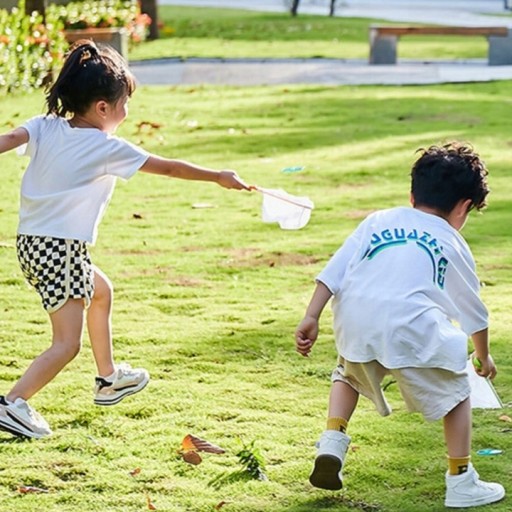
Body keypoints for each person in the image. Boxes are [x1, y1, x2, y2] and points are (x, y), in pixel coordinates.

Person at [0, 40, 249, 440]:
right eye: (124, 103)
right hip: (61, 248)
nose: (127, 111)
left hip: (31, 245)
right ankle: (13, 403)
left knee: (101, 292)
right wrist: (218, 176)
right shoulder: (105, 147)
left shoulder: (45, 125)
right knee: (66, 344)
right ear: (103, 107)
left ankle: (108, 378)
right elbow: (168, 168)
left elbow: (9, 139)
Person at [295, 143, 505, 508]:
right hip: (412, 327)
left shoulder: (377, 221)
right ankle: (461, 480)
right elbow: (473, 311)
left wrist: (311, 315)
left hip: (356, 321)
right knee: (458, 392)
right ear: (463, 207)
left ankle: (332, 441)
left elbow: (334, 272)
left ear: (412, 195)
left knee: (347, 375)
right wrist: (482, 356)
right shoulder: (452, 241)